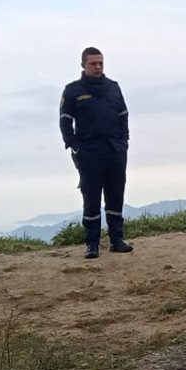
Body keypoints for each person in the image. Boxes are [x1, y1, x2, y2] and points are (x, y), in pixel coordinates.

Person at [60, 47, 133, 259]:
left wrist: (123, 142)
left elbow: (124, 115)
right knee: (91, 198)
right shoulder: (73, 90)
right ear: (83, 65)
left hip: (115, 150)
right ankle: (92, 244)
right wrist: (73, 145)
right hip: (89, 152)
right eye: (93, 63)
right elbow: (65, 121)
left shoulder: (113, 87)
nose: (98, 67)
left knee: (116, 195)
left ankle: (116, 239)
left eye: (101, 63)